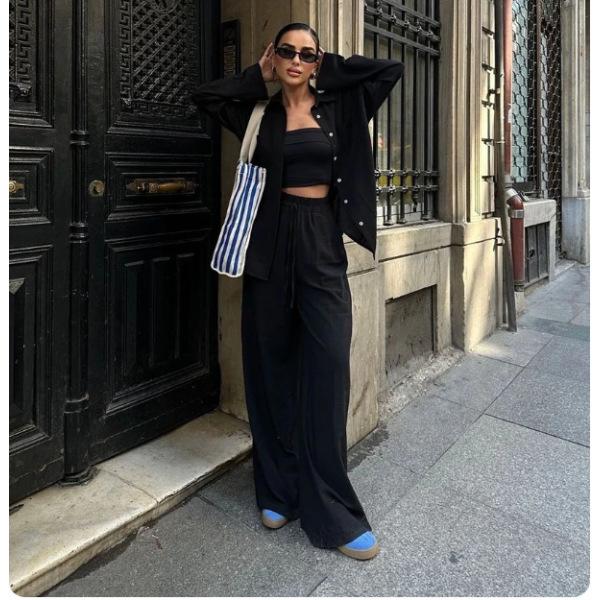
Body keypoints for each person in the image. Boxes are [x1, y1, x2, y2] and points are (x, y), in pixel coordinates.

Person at [190, 22, 404, 561]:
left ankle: (332, 508)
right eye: (287, 51)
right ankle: (277, 491)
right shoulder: (258, 114)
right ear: (274, 55)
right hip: (268, 244)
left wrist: (326, 67)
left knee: (329, 366)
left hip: (320, 242)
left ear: (318, 61)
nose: (296, 60)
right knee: (270, 367)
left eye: (307, 54)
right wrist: (257, 75)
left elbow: (389, 69)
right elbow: (205, 97)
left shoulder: (339, 107)